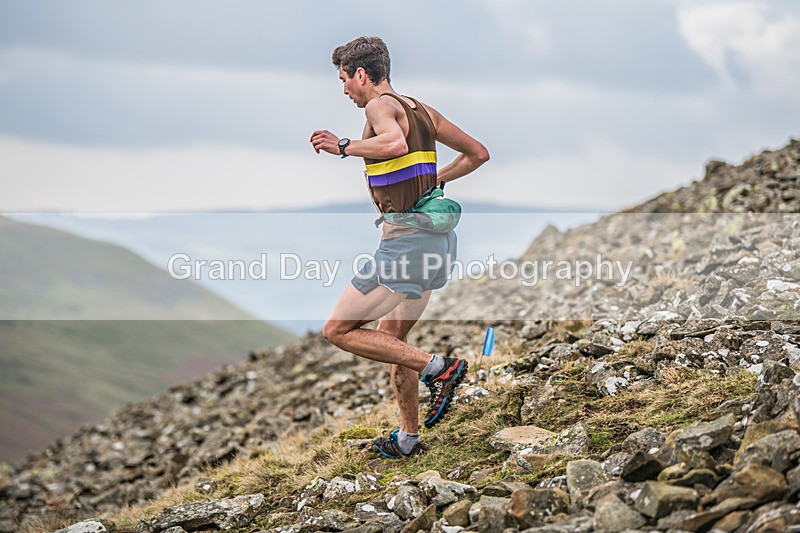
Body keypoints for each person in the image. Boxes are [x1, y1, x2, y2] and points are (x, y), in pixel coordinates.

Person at [310, 36, 489, 459]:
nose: (344, 91)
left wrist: (343, 146)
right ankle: (408, 439)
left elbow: (393, 144)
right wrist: (436, 179)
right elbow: (478, 154)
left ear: (361, 74)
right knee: (393, 338)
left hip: (405, 244)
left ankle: (439, 369)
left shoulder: (379, 106)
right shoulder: (423, 110)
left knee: (337, 330)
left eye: (344, 80)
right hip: (436, 242)